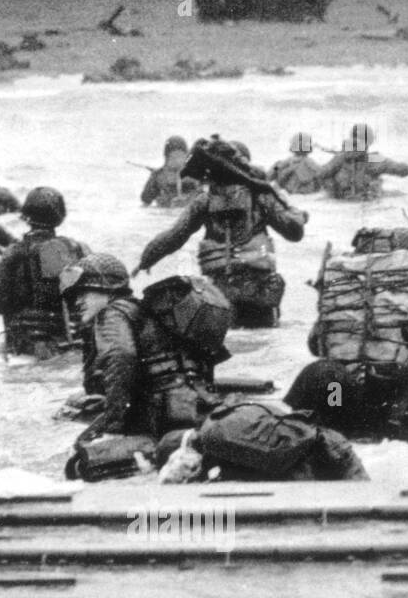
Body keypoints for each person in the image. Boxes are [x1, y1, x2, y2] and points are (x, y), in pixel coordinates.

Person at [285, 225, 408, 442]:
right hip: (400, 408)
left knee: (329, 379)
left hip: (341, 403)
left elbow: (316, 345)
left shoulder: (341, 288)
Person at [135, 136, 306, 328]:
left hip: (219, 293)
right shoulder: (262, 195)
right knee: (259, 340)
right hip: (259, 291)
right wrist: (290, 206)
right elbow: (294, 233)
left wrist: (146, 260)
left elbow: (174, 236)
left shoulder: (205, 201)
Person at [61, 256, 231, 444]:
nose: (77, 302)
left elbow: (121, 357)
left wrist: (111, 423)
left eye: (83, 293)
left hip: (161, 416)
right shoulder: (147, 311)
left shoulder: (111, 313)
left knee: (76, 437)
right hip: (195, 404)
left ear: (107, 288)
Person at [156, 401, 368, 483]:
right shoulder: (226, 420)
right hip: (333, 445)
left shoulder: (218, 441)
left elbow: (283, 463)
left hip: (324, 457)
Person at [0, 187, 89, 357]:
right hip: (70, 336)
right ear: (60, 216)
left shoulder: (13, 252)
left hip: (25, 340)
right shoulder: (76, 248)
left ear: (27, 215)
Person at [312, 124, 408, 201]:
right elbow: (397, 168)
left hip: (342, 199)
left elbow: (319, 174)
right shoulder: (373, 159)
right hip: (367, 200)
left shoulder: (339, 158)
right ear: (369, 141)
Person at [140, 135, 200, 208]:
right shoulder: (158, 176)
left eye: (180, 156)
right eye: (173, 157)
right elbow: (145, 200)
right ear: (166, 159)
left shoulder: (194, 173)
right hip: (166, 213)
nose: (177, 161)